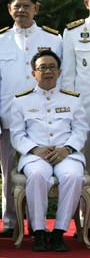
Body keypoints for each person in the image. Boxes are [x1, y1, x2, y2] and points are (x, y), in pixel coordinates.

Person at [0, 0, 63, 237]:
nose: (21, 10)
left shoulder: (53, 40)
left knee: (39, 168)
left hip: (43, 118)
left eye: (26, 6)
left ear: (36, 8)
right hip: (10, 116)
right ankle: (11, 222)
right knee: (9, 171)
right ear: (9, 9)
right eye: (16, 6)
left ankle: (36, 222)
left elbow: (59, 81)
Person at [10, 50, 88, 251]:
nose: (47, 71)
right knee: (37, 175)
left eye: (52, 67)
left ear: (59, 71)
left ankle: (58, 232)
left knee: (73, 176)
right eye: (42, 67)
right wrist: (35, 150)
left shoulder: (73, 99)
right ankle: (39, 232)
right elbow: (17, 134)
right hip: (36, 156)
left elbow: (80, 130)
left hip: (67, 154)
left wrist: (67, 149)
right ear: (33, 72)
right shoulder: (21, 100)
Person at [62, 0, 90, 168]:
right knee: (81, 160)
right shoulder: (73, 32)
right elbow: (68, 76)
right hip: (84, 108)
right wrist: (69, 110)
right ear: (87, 3)